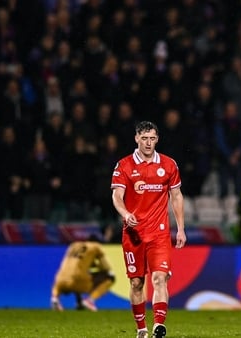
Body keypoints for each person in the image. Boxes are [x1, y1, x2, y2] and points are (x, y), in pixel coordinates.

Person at [111, 121, 187, 338]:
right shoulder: (124, 165)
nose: (148, 143)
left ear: (157, 139)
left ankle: (159, 326)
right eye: (144, 138)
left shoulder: (169, 165)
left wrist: (180, 228)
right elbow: (117, 196)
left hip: (159, 233)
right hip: (133, 234)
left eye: (152, 138)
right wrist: (126, 214)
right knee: (136, 283)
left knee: (160, 279)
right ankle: (142, 329)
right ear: (136, 138)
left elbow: (177, 196)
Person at [50, 235, 115, 311]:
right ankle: (89, 301)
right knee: (110, 277)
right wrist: (99, 268)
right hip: (78, 280)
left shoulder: (73, 245)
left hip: (60, 280)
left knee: (77, 274)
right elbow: (105, 267)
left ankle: (55, 298)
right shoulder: (95, 247)